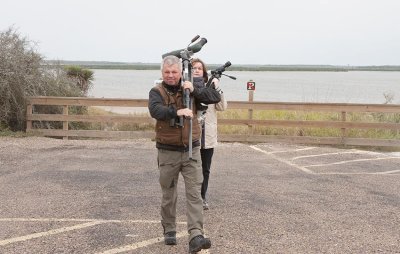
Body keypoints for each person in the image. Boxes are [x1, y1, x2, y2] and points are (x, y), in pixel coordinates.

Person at [148, 55, 221, 253]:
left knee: (194, 193)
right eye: (167, 72)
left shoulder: (190, 88)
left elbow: (215, 97)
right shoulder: (156, 91)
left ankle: (196, 234)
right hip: (168, 151)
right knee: (169, 194)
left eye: (174, 72)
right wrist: (177, 112)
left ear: (181, 72)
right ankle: (169, 229)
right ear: (162, 73)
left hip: (191, 149)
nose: (171, 76)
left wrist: (195, 89)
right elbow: (155, 110)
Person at [191, 58, 227, 210]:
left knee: (205, 169)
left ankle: (202, 197)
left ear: (204, 71)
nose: (197, 70)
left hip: (208, 136)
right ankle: (193, 197)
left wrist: (218, 89)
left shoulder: (211, 86)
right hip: (192, 134)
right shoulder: (187, 87)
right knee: (192, 169)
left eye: (200, 68)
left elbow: (222, 107)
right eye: (194, 68)